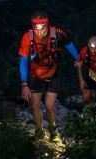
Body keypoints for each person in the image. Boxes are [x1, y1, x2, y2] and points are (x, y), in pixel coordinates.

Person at [18, 11, 79, 142]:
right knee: (35, 105)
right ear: (33, 26)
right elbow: (23, 61)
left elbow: (69, 45)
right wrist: (24, 84)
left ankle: (53, 130)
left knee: (49, 105)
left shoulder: (57, 34)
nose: (39, 32)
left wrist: (78, 58)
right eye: (36, 28)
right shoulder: (27, 37)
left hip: (54, 74)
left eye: (42, 27)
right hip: (35, 75)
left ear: (46, 24)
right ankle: (39, 131)